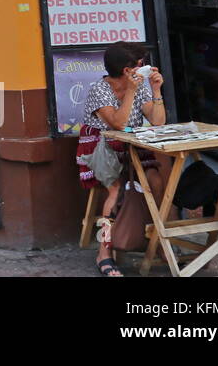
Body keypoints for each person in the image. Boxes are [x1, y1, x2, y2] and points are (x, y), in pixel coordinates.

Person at [78, 43, 170, 277]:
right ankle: (104, 251)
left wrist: (156, 90)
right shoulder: (100, 89)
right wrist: (130, 91)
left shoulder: (141, 87)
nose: (144, 68)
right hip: (100, 147)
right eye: (140, 64)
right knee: (115, 192)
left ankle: (156, 240)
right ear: (127, 70)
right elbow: (117, 124)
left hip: (132, 146)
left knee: (156, 182)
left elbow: (158, 122)